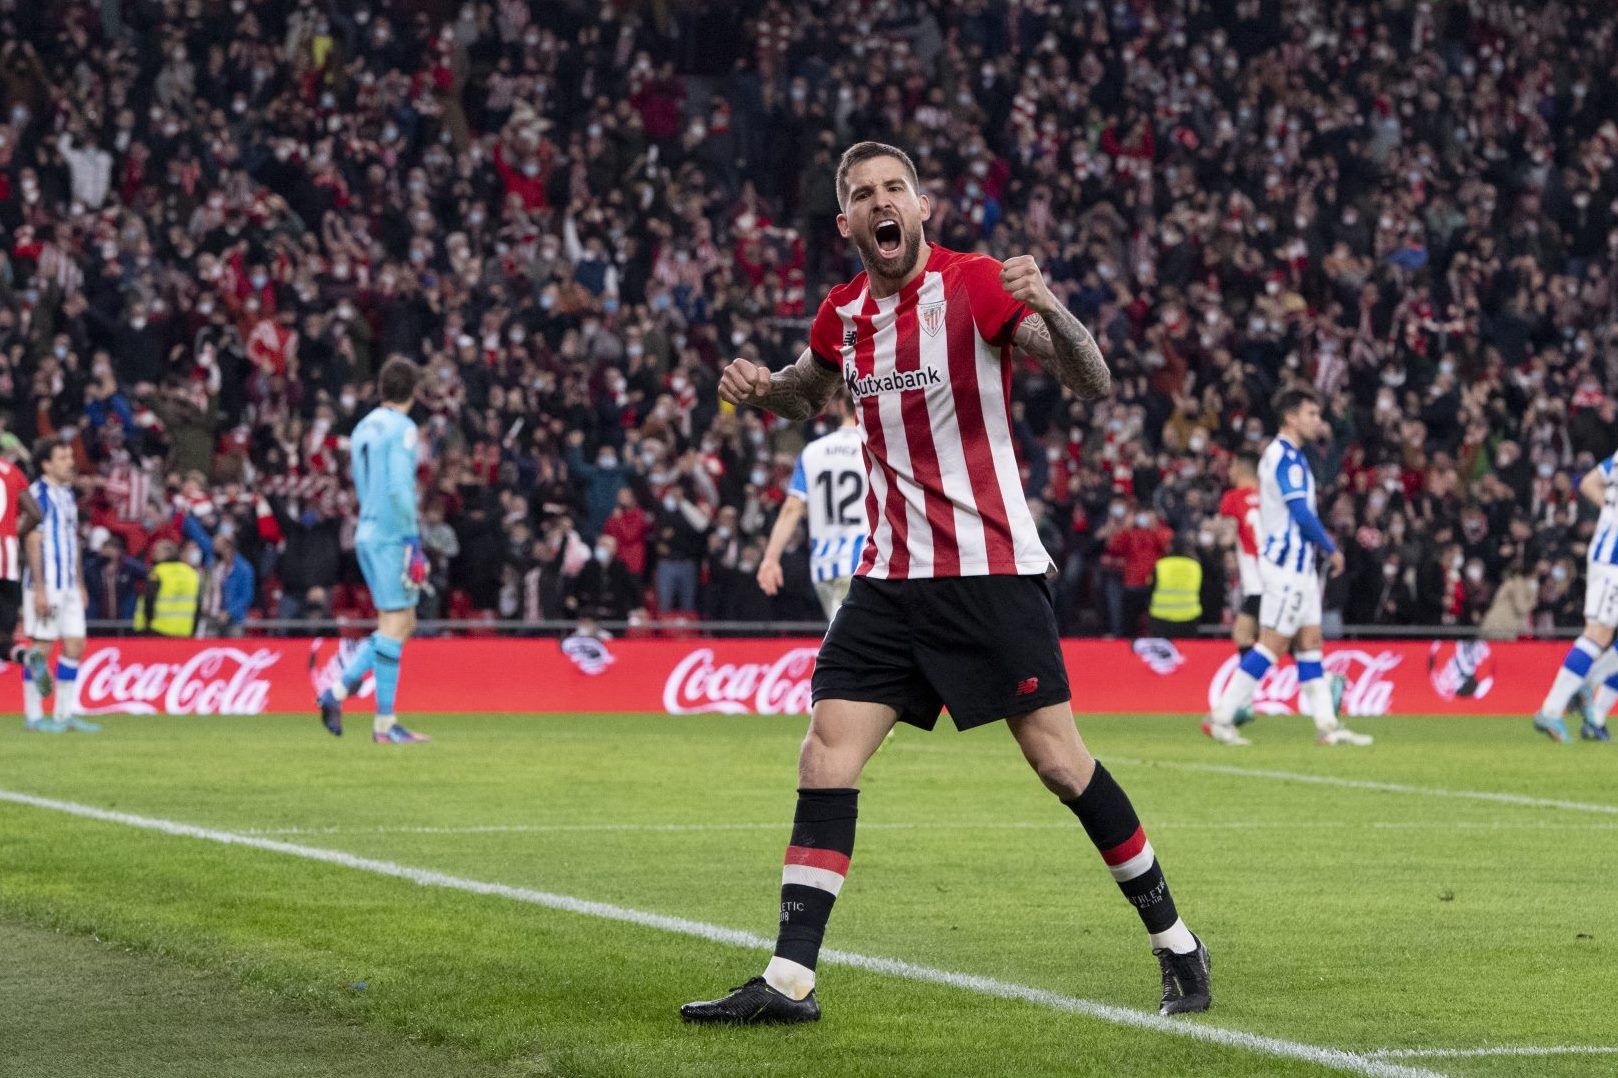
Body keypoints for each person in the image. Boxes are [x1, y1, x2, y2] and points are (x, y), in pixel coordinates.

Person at [682, 142, 1209, 1026]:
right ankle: (788, 979)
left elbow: (1092, 378)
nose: (881, 203)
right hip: (888, 580)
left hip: (989, 569)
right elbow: (802, 397)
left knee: (1059, 763)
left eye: (895, 188)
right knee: (825, 752)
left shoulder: (975, 286)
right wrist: (756, 388)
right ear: (846, 221)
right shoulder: (842, 313)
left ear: (922, 206)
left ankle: (1177, 943)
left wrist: (1056, 308)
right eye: (862, 195)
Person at [1203, 390, 1371, 747]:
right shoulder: (1284, 458)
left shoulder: (1291, 456)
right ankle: (1221, 717)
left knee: (1310, 643)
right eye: (1311, 413)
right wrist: (1330, 547)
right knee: (1273, 643)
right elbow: (1300, 511)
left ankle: (1327, 726)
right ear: (1291, 417)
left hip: (1301, 568)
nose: (1317, 420)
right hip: (1286, 566)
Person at [317, 358, 429, 745]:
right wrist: (412, 540)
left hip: (366, 526)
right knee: (396, 624)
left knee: (402, 622)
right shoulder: (404, 429)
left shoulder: (364, 426)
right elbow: (399, 486)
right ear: (413, 393)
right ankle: (383, 723)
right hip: (390, 532)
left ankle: (336, 694)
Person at [1530, 447, 1618, 742]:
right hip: (1612, 562)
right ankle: (1552, 710)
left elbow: (1590, 482)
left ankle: (1585, 691)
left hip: (1606, 557)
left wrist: (1610, 508)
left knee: (1602, 635)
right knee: (1598, 634)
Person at [757, 391, 865, 618]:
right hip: (862, 562)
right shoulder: (873, 450)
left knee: (842, 637)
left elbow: (792, 509)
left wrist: (770, 558)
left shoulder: (811, 453)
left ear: (841, 408)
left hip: (824, 566)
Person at [24, 436, 96, 733]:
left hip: (67, 584)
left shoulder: (66, 494)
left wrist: (79, 582)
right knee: (41, 647)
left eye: (70, 456)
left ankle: (64, 714)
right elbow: (32, 539)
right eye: (63, 458)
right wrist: (40, 588)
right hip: (47, 583)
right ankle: (34, 714)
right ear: (46, 464)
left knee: (75, 644)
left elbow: (72, 541)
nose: (71, 462)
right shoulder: (37, 494)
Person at [0, 447, 54, 730]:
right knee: (3, 641)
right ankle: (27, 656)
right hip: (6, 566)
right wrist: (10, 535)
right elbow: (35, 512)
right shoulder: (11, 471)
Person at [135, 538, 200, 637]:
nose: (153, 554)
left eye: (156, 551)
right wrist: (193, 629)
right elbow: (198, 603)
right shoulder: (191, 573)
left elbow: (149, 599)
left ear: (168, 552)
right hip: (184, 631)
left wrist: (147, 625)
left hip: (158, 629)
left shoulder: (157, 572)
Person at [201, 533, 255, 637]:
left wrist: (229, 612)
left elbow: (247, 596)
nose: (215, 549)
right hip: (212, 615)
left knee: (232, 648)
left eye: (218, 546)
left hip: (233, 620)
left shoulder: (243, 569)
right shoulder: (214, 565)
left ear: (228, 547)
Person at [1146, 538, 1202, 638]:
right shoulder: (1195, 566)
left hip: (1162, 618)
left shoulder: (1161, 565)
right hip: (1189, 617)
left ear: (1170, 548)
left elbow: (1150, 587)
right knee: (1187, 651)